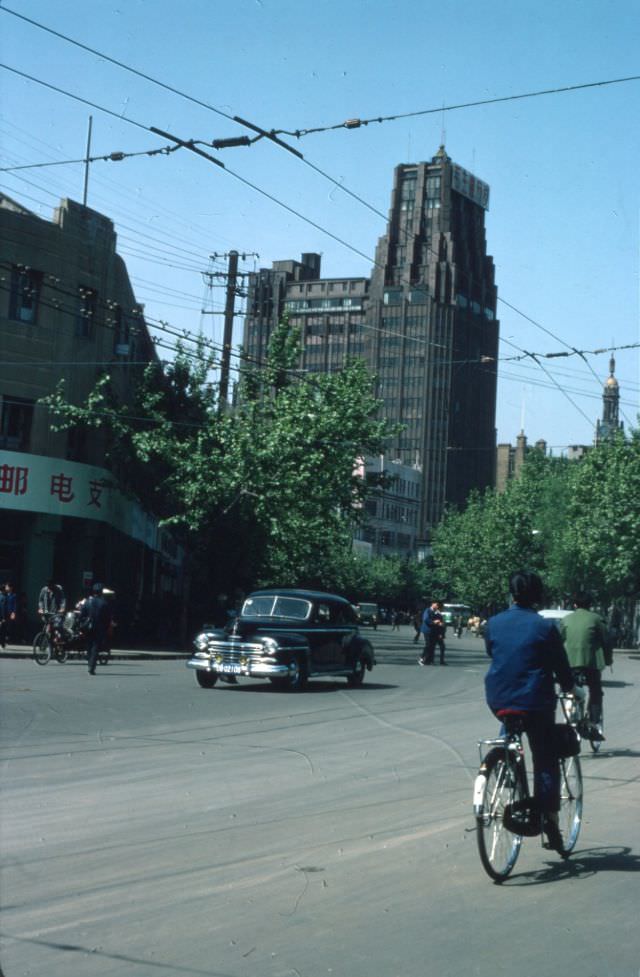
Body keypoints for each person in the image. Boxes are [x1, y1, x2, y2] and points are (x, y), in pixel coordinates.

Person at [484, 570, 583, 852]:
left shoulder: (493, 623)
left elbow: (495, 653)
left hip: (498, 698)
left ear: (511, 593)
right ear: (537, 595)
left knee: (512, 728)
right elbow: (560, 666)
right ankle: (549, 818)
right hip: (536, 702)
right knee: (545, 755)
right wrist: (571, 688)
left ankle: (507, 762)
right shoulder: (544, 627)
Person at [559, 593, 611, 740]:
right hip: (591, 664)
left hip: (569, 664)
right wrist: (608, 660)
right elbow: (606, 642)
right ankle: (593, 723)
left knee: (569, 688)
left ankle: (570, 711)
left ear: (574, 605)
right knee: (595, 691)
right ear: (590, 605)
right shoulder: (597, 619)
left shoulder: (566, 619)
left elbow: (558, 641)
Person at [79, 582, 113, 675]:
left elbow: (81, 615)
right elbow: (107, 618)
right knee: (95, 647)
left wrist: (82, 626)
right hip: (99, 628)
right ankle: (91, 665)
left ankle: (89, 660)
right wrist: (105, 628)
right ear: (101, 592)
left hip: (88, 628)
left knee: (89, 645)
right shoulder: (104, 603)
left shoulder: (87, 602)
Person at [419, 600, 442, 665]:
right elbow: (426, 619)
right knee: (428, 644)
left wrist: (439, 617)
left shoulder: (436, 612)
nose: (437, 606)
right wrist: (434, 622)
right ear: (432, 604)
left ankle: (429, 660)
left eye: (438, 605)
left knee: (432, 645)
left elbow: (439, 619)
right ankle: (422, 658)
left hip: (433, 631)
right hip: (427, 630)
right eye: (436, 604)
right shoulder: (427, 610)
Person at [1, 582, 18, 647]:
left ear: (11, 588)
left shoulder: (14, 595)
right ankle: (4, 640)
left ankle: (8, 639)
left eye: (7, 586)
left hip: (10, 613)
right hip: (4, 613)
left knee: (9, 627)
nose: (6, 588)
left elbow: (15, 605)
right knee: (4, 627)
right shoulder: (4, 595)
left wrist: (13, 612)